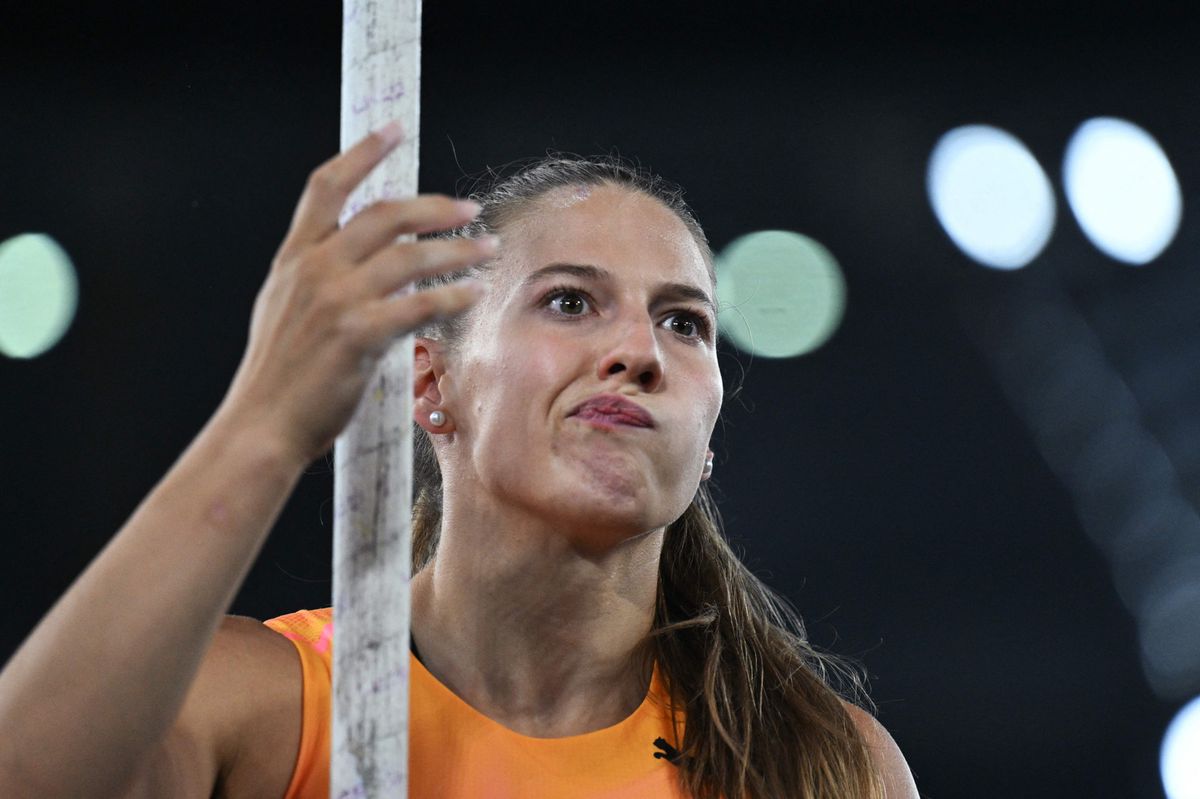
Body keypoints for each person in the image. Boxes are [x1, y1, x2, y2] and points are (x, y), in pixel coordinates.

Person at [0, 123, 918, 798]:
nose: (640, 349)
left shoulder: (829, 766)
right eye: (569, 302)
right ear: (429, 379)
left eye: (684, 322)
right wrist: (263, 424)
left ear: (708, 440)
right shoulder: (273, 706)